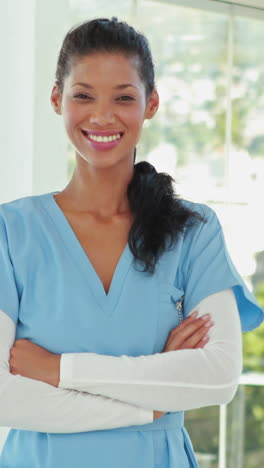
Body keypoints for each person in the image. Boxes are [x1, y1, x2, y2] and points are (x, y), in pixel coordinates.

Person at [0, 17, 263, 468]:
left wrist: (58, 370)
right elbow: (4, 398)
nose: (102, 116)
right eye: (83, 95)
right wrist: (153, 403)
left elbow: (217, 378)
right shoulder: (11, 231)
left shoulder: (194, 230)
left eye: (123, 97)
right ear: (56, 99)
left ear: (151, 103)